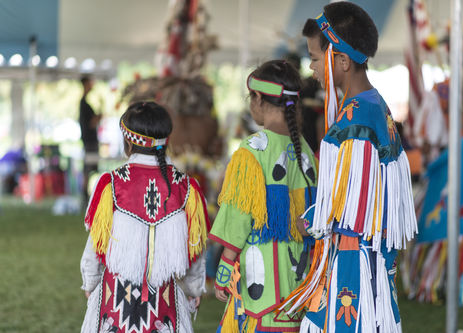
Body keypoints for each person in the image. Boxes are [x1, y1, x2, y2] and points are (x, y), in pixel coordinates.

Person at [278, 2, 417, 332]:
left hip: (353, 259)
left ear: (340, 60)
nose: (310, 67)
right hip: (370, 256)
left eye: (314, 57)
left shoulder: (357, 120)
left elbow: (354, 208)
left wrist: (310, 219)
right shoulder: (374, 107)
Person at [80, 102, 210, 333]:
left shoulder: (111, 185)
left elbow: (96, 245)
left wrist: (90, 282)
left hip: (114, 303)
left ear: (128, 142)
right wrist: (193, 289)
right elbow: (195, 249)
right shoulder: (187, 189)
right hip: (165, 307)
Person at [209, 60, 318, 332]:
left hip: (262, 279)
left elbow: (238, 216)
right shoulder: (305, 150)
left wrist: (224, 268)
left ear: (257, 98)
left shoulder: (251, 152)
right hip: (300, 280)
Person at [79, 75, 102, 207]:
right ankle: (85, 196)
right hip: (89, 142)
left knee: (89, 169)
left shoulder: (84, 103)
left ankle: (86, 195)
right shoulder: (84, 104)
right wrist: (98, 116)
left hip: (89, 141)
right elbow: (91, 123)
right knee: (88, 169)